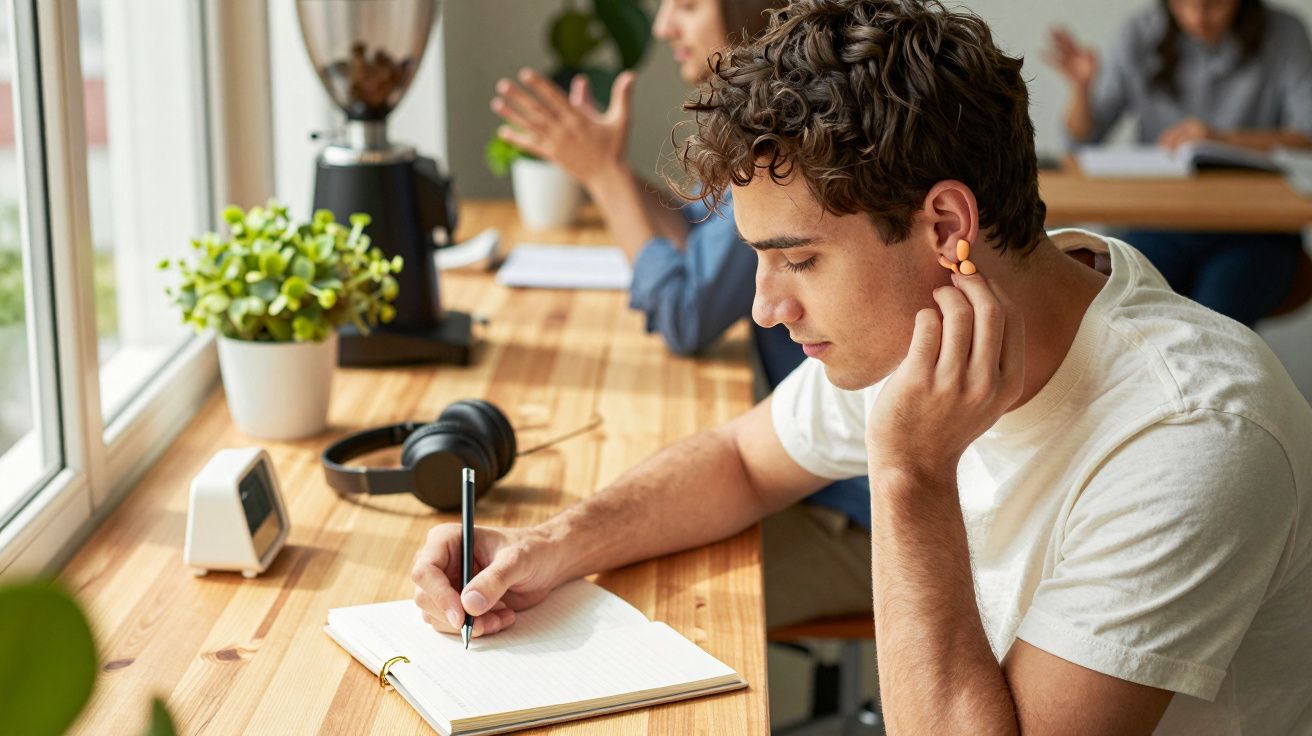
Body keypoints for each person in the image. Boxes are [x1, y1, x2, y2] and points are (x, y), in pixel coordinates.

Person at [418, 1, 1312, 732]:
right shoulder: (931, 318)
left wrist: (909, 474)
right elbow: (739, 459)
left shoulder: (1192, 432)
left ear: (946, 228)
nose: (765, 307)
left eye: (799, 261)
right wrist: (545, 547)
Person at [490, 0, 873, 629]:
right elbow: (702, 231)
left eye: (688, 5)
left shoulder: (791, 142)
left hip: (846, 505)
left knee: (625, 611)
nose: (666, 26)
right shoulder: (776, 133)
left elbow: (686, 312)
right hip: (802, 464)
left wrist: (606, 178)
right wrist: (605, 169)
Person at [1046, 0, 1312, 326]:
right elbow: (1080, 142)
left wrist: (1220, 139)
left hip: (1254, 230)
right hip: (1159, 223)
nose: (1198, 16)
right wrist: (1082, 89)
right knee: (1130, 318)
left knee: (1214, 326)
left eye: (1213, 5)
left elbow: (1307, 135)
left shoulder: (1285, 33)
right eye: (1184, 4)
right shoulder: (1140, 32)